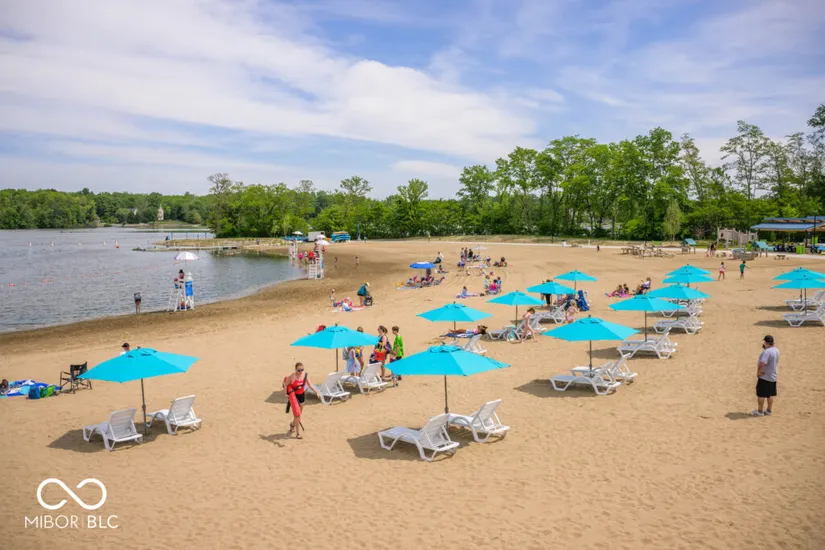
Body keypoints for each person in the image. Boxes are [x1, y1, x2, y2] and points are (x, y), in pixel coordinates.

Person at [283, 362, 321, 439]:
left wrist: (316, 392)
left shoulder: (305, 375)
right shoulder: (292, 376)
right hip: (294, 396)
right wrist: (286, 394)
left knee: (299, 414)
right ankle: (298, 433)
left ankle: (292, 425)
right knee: (297, 415)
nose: (300, 372)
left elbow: (310, 385)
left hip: (302, 396)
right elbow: (286, 384)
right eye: (298, 370)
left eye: (302, 370)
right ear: (295, 370)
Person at [753, 335, 779, 417]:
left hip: (765, 376)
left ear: (766, 342)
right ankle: (769, 411)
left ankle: (760, 412)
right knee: (770, 394)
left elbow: (762, 363)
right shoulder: (776, 350)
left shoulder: (766, 352)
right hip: (773, 376)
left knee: (761, 395)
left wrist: (759, 372)